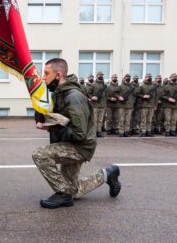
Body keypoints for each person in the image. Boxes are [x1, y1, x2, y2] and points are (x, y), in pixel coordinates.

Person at [32, 58, 121, 209]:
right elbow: (48, 117)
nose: (43, 77)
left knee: (40, 154)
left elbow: (79, 133)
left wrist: (51, 129)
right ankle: (108, 174)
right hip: (71, 143)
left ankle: (63, 195)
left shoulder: (73, 97)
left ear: (58, 75)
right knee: (73, 190)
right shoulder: (58, 94)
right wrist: (37, 101)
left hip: (80, 146)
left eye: (47, 73)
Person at [87, 71, 108, 137]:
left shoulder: (104, 85)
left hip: (103, 105)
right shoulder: (93, 84)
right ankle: (94, 132)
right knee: (95, 119)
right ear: (97, 76)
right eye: (100, 75)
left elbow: (106, 95)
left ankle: (99, 131)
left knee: (101, 120)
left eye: (102, 75)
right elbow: (88, 93)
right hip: (95, 105)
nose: (101, 76)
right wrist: (92, 97)